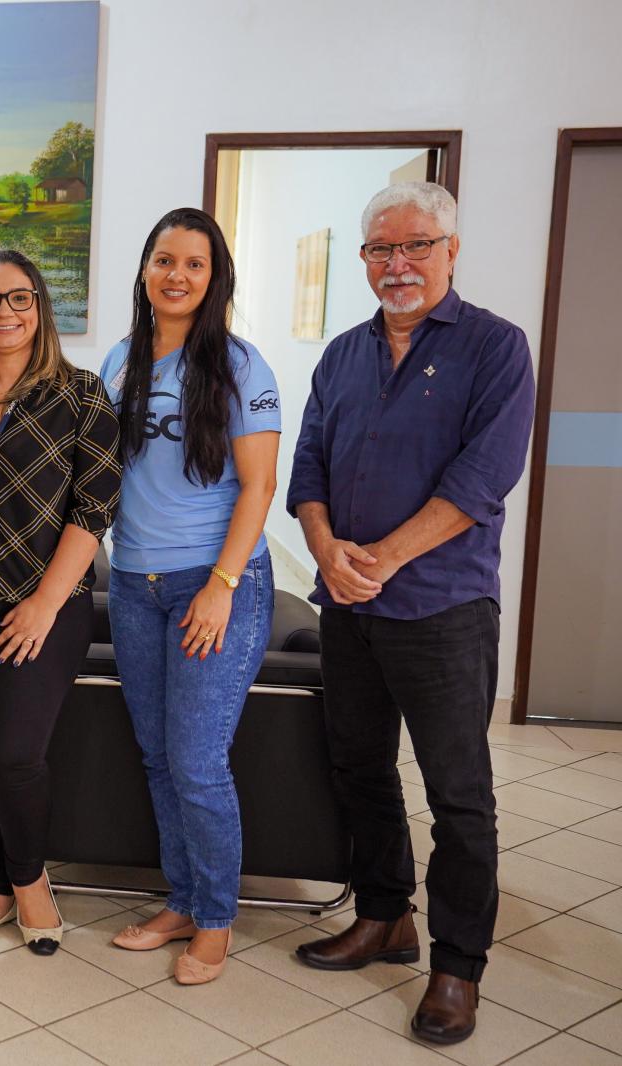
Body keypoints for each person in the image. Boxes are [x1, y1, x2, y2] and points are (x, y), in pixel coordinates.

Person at [288, 182, 534, 1044]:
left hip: (441, 608)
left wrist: (383, 559)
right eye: (381, 251)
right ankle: (386, 917)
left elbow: (481, 480)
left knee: (459, 796)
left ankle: (458, 970)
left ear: (452, 249)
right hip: (347, 605)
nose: (398, 265)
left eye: (416, 246)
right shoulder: (344, 355)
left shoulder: (497, 349)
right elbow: (309, 465)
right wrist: (325, 551)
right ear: (364, 260)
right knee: (359, 767)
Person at [101, 208, 280, 985]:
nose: (177, 275)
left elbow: (259, 485)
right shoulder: (119, 360)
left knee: (199, 762)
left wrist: (222, 585)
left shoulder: (243, 365)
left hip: (214, 583)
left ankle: (215, 921)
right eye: (164, 260)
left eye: (195, 264)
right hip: (135, 584)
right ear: (145, 271)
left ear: (215, 279)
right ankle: (181, 899)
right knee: (156, 756)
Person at [0, 251, 121, 956]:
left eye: (19, 298)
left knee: (13, 753)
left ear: (40, 306)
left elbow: (95, 504)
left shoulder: (81, 394)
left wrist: (45, 604)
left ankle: (31, 884)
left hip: (47, 602)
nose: (4, 313)